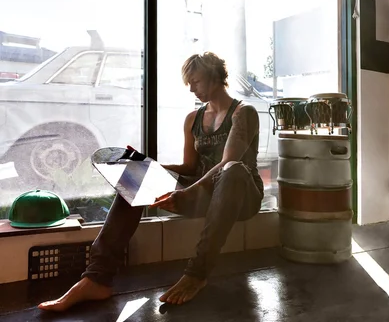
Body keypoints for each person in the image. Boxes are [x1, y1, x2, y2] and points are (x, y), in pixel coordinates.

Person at [38, 51, 264, 311]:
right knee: (135, 177)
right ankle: (96, 278)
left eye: (196, 81)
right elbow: (190, 167)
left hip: (241, 196)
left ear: (215, 77)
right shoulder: (194, 118)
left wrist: (188, 192)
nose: (191, 89)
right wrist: (144, 165)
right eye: (188, 82)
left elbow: (227, 163)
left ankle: (197, 273)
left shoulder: (243, 112)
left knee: (233, 169)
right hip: (203, 195)